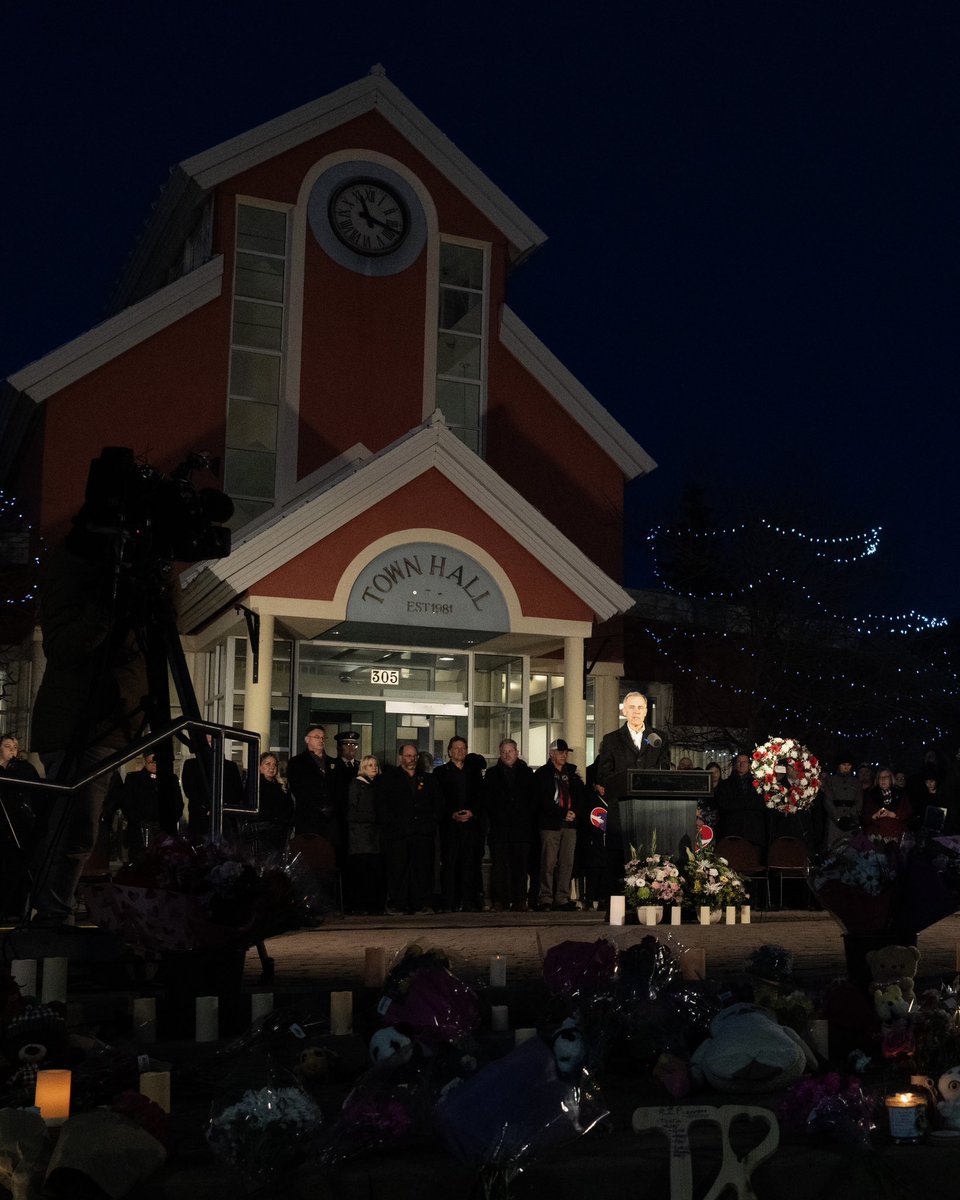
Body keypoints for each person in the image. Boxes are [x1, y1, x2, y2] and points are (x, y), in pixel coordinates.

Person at [595, 692, 670, 868]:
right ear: (624, 711)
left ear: (645, 712)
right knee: (618, 860)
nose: (636, 711)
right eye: (632, 707)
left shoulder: (658, 738)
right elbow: (603, 775)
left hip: (651, 809)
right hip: (621, 810)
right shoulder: (611, 739)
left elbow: (665, 770)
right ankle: (618, 895)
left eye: (640, 707)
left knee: (650, 856)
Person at [376, 742, 441, 914]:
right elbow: (383, 806)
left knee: (422, 869)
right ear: (400, 758)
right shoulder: (388, 779)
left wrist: (430, 823)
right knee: (399, 869)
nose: (411, 759)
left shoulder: (428, 779)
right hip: (398, 835)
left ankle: (420, 903)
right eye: (408, 756)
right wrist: (393, 825)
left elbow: (438, 804)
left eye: (414, 756)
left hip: (422, 834)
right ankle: (398, 903)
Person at [533, 738, 586, 911]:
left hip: (570, 825)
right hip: (550, 825)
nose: (564, 755)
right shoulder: (542, 774)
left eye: (565, 753)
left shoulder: (571, 773)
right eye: (560, 752)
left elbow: (580, 796)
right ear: (551, 754)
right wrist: (563, 813)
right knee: (548, 862)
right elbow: (542, 800)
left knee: (567, 862)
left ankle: (562, 898)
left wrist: (574, 812)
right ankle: (545, 898)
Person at [483, 738, 535, 911]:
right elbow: (488, 801)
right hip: (500, 828)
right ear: (500, 753)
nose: (507, 755)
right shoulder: (492, 774)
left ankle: (520, 899)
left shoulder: (527, 774)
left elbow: (533, 800)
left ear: (517, 752)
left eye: (510, 751)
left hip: (521, 829)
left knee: (520, 866)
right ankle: (500, 900)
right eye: (504, 752)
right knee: (500, 866)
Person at [436, 735, 485, 911]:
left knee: (469, 864)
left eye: (463, 748)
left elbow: (481, 797)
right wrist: (452, 814)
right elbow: (438, 799)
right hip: (450, 827)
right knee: (449, 865)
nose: (460, 751)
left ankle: (469, 902)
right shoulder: (440, 773)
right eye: (456, 748)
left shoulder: (474, 772)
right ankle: (449, 902)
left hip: (471, 827)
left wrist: (472, 812)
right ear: (449, 752)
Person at [0, 735, 41, 919]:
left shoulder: (23, 769)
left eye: (15, 747)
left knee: (17, 868)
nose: (12, 750)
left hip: (20, 826)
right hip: (3, 825)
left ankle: (15, 909)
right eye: (7, 746)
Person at [120, 750, 184, 858]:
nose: (155, 765)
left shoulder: (171, 779)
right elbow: (127, 803)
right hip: (140, 831)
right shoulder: (133, 779)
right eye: (151, 762)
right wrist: (140, 822)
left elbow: (178, 804)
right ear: (145, 761)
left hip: (164, 830)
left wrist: (169, 821)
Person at [181, 735, 245, 840]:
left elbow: (237, 793)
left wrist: (219, 807)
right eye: (207, 742)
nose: (210, 746)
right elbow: (190, 791)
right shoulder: (191, 765)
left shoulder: (230, 766)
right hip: (200, 820)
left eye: (212, 742)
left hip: (224, 820)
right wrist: (207, 807)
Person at [345, 754, 384, 914]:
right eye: (369, 765)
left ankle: (371, 905)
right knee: (362, 872)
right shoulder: (357, 785)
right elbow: (351, 812)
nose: (373, 767)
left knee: (372, 873)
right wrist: (374, 817)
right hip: (361, 837)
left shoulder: (376, 785)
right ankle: (360, 906)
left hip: (373, 837)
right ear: (363, 768)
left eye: (375, 764)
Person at [239, 752, 293, 858]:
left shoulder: (279, 786)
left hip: (279, 834)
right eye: (268, 764)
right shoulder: (255, 784)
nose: (272, 767)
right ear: (259, 766)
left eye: (274, 764)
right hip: (261, 834)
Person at [715, 752, 769, 847]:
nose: (742, 764)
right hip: (732, 832)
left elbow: (762, 804)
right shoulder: (725, 784)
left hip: (754, 833)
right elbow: (723, 805)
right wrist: (747, 803)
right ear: (735, 765)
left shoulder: (759, 784)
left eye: (745, 762)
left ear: (749, 765)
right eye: (739, 762)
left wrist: (739, 803)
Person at [860, 766, 911, 842]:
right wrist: (874, 816)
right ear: (877, 780)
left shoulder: (900, 793)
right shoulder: (871, 795)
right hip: (876, 837)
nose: (883, 779)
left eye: (886, 777)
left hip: (897, 836)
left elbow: (908, 812)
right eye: (880, 777)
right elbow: (864, 816)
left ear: (891, 779)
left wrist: (895, 814)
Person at [820, 753, 861, 847]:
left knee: (852, 848)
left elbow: (859, 802)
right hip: (834, 822)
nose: (846, 767)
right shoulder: (831, 781)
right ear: (839, 766)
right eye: (843, 765)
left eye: (848, 765)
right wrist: (837, 818)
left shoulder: (856, 782)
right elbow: (828, 801)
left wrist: (850, 816)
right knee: (833, 847)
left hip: (852, 820)